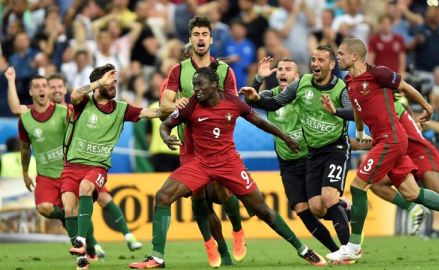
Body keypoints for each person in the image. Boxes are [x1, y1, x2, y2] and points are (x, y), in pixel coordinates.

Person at [129, 66, 327, 269]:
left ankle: (304, 250)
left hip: (229, 163)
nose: (196, 89)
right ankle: (158, 258)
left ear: (214, 85)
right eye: (194, 84)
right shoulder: (191, 105)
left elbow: (260, 122)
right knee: (163, 196)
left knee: (262, 210)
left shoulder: (232, 102)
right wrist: (165, 136)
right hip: (201, 164)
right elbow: (165, 124)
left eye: (200, 84)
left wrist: (285, 138)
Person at [326, 37, 439, 263]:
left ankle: (354, 246)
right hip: (382, 140)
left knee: (358, 186)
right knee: (412, 193)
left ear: (354, 56)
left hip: (392, 139)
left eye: (340, 53)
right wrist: (359, 133)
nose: (337, 57)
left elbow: (405, 87)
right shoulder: (350, 81)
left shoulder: (378, 73)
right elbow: (358, 109)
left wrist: (427, 107)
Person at [5, 67, 142, 258]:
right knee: (51, 208)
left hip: (77, 166)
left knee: (100, 198)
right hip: (48, 173)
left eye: (55, 86)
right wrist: (11, 80)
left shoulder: (67, 110)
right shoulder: (28, 116)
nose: (52, 89)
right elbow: (17, 116)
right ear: (33, 91)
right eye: (45, 86)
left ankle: (124, 237)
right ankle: (89, 243)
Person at [324, 95, 439, 253]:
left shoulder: (389, 106)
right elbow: (384, 136)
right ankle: (413, 208)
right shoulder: (385, 104)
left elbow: (388, 135)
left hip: (421, 153)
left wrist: (352, 142)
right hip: (401, 153)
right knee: (376, 184)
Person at [241, 45, 352, 249]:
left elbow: (334, 123)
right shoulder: (273, 96)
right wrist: (258, 79)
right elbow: (251, 101)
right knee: (304, 210)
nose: (282, 73)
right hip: (288, 164)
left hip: (309, 155)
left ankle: (345, 238)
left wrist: (355, 140)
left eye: (287, 69)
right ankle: (335, 250)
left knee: (322, 203)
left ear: (297, 75)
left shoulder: (304, 94)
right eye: (280, 69)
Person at [160, 16, 246, 265]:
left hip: (216, 142)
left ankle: (238, 231)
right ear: (190, 39)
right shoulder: (178, 71)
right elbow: (164, 102)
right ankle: (216, 246)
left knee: (222, 190)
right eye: (195, 34)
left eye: (204, 34)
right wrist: (174, 103)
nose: (200, 38)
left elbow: (233, 104)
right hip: (189, 144)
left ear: (210, 38)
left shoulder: (223, 71)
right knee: (198, 197)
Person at [61, 63, 163, 270]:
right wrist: (100, 82)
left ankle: (81, 241)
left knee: (86, 188)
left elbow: (151, 113)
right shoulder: (84, 102)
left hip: (97, 167)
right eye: (111, 81)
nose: (114, 85)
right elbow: (73, 95)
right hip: (71, 166)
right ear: (98, 84)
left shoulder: (121, 108)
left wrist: (178, 107)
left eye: (116, 81)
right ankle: (81, 259)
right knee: (69, 208)